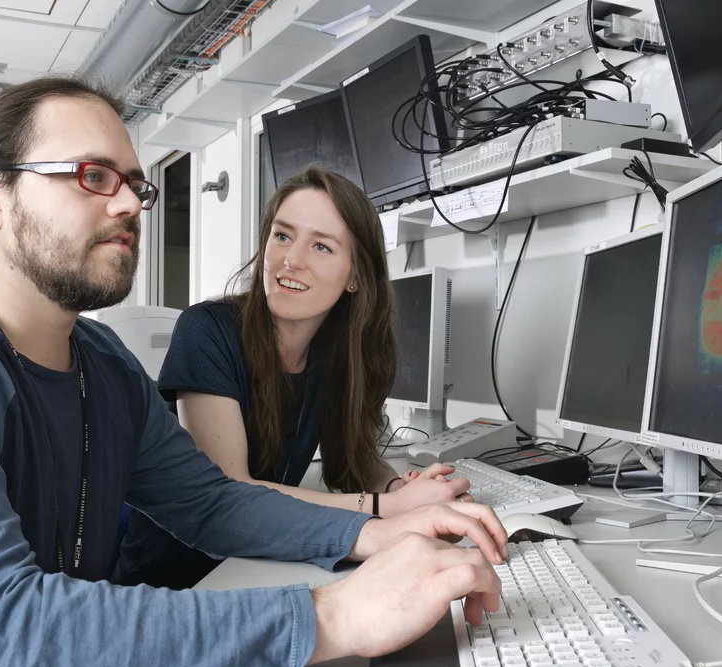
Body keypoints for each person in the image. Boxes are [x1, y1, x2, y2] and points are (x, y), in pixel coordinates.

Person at [0, 75, 507, 667]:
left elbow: (212, 503)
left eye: (133, 183)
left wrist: (372, 535)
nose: (130, 201)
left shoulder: (104, 367)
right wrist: (334, 616)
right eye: (92, 176)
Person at [114, 167, 470, 589]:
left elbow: (354, 451)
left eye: (321, 246)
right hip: (178, 581)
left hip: (264, 560)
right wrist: (388, 507)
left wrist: (401, 485)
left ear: (355, 277)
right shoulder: (206, 329)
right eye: (282, 236)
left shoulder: (337, 353)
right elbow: (229, 491)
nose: (291, 259)